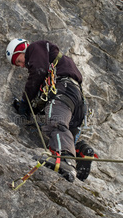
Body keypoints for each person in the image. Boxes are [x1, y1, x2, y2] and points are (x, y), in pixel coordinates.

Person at [6, 38, 93, 183]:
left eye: (18, 61)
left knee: (55, 123)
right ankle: (81, 151)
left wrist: (25, 101)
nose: (21, 66)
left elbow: (38, 72)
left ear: (21, 50)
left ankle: (65, 161)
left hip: (63, 89)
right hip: (76, 100)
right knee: (59, 136)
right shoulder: (50, 62)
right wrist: (31, 110)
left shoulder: (34, 48)